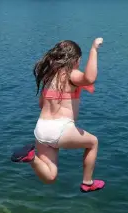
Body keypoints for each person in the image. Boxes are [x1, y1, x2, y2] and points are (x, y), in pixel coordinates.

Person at [11, 38, 105, 193]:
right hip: (60, 129)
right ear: (75, 59)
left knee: (50, 176)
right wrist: (94, 49)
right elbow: (89, 78)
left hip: (41, 129)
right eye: (79, 61)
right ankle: (87, 183)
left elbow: (42, 104)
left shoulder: (49, 76)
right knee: (93, 142)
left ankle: (31, 158)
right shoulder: (70, 74)